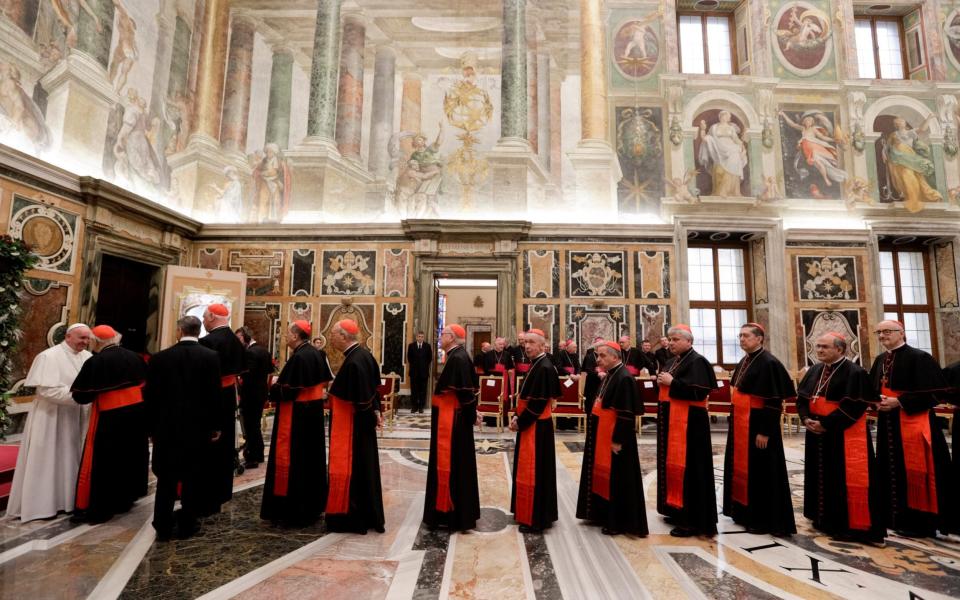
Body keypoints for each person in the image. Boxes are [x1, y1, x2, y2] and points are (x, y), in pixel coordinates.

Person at [797, 333, 884, 543]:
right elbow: (802, 397)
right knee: (821, 476)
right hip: (816, 432)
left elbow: (854, 406)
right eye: (817, 346)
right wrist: (806, 418)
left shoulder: (855, 372)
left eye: (824, 347)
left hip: (841, 434)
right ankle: (823, 518)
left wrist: (825, 424)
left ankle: (845, 525)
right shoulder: (815, 369)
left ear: (840, 349)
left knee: (840, 479)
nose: (819, 350)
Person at [868, 320, 952, 538]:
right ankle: (893, 517)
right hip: (888, 425)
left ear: (901, 333)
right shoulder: (880, 360)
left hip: (915, 422)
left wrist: (900, 402)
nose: (882, 335)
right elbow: (872, 389)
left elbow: (934, 394)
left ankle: (920, 523)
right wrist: (876, 402)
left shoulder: (919, 358)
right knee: (889, 467)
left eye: (887, 331)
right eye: (879, 332)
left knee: (916, 472)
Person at [145, 316, 221, 540]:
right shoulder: (211, 357)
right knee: (192, 477)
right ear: (198, 332)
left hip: (166, 429)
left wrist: (151, 429)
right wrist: (215, 426)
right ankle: (188, 523)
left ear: (179, 331)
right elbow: (214, 395)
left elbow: (150, 397)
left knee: (166, 478)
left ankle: (162, 524)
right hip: (197, 429)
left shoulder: (160, 358)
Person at [6, 324, 92, 522]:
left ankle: (67, 501)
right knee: (48, 460)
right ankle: (42, 505)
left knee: (69, 457)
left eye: (87, 339)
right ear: (68, 336)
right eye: (81, 338)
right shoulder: (48, 356)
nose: (85, 343)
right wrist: (80, 396)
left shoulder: (87, 357)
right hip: (50, 416)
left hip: (74, 415)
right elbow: (46, 391)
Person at [721, 323, 796, 536]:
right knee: (744, 470)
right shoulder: (745, 360)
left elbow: (773, 401)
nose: (742, 339)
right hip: (742, 422)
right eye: (740, 336)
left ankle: (762, 519)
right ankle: (743, 512)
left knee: (762, 474)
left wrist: (765, 431)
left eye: (746, 336)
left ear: (759, 338)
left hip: (758, 426)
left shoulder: (769, 363)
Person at [69, 325, 148, 523]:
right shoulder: (135, 357)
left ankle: (104, 507)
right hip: (137, 415)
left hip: (110, 418)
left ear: (97, 341)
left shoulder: (96, 361)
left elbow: (81, 396)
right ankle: (126, 498)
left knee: (106, 462)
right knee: (130, 456)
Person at [260, 320, 332, 526]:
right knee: (311, 459)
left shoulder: (300, 357)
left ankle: (293, 508)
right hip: (312, 415)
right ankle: (313, 504)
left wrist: (273, 389)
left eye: (287, 333)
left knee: (295, 461)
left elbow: (288, 389)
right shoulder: (315, 353)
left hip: (297, 418)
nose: (285, 336)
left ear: (295, 336)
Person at [577, 341, 647, 536]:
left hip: (616, 438)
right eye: (597, 356)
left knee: (618, 480)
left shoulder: (624, 377)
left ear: (615, 357)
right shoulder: (611, 374)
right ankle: (604, 514)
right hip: (604, 434)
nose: (598, 359)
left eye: (602, 356)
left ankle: (618, 522)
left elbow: (626, 414)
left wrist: (617, 440)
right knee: (607, 478)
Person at [655, 325, 718, 537]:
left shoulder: (697, 361)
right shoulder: (673, 361)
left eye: (675, 339)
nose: (670, 343)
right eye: (669, 339)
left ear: (688, 341)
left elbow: (699, 393)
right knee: (673, 467)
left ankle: (692, 520)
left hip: (690, 426)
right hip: (672, 421)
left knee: (690, 469)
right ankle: (676, 509)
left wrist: (672, 383)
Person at [325, 319, 385, 534]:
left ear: (343, 336)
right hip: (361, 427)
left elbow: (361, 399)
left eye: (333, 333)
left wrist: (370, 414)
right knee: (365, 470)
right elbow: (373, 392)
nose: (329, 336)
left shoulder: (353, 361)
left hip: (353, 430)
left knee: (356, 472)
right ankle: (370, 515)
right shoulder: (364, 355)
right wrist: (376, 412)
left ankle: (352, 517)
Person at [424, 324, 480, 531]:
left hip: (453, 423)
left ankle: (453, 513)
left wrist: (472, 414)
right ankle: (448, 513)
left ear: (452, 337)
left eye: (443, 334)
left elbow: (465, 394)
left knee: (454, 465)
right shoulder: (456, 356)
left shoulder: (458, 358)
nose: (440, 337)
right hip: (452, 419)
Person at [509, 329, 560, 532]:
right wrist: (516, 415)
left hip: (536, 427)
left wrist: (520, 422)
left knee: (535, 472)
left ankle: (536, 518)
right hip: (532, 424)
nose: (527, 346)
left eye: (531, 342)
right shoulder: (537, 364)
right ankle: (530, 512)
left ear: (542, 345)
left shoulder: (545, 367)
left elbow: (537, 405)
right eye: (525, 343)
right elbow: (525, 397)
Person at [199, 303, 246, 515]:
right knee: (227, 444)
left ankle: (207, 493)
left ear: (211, 316)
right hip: (229, 397)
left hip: (211, 396)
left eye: (204, 317)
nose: (203, 321)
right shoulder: (236, 341)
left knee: (210, 445)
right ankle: (224, 490)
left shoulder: (208, 342)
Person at [236, 326, 273, 468]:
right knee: (255, 425)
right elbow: (270, 370)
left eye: (239, 337)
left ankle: (253, 457)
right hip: (261, 392)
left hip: (251, 394)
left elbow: (247, 374)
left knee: (251, 426)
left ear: (246, 336)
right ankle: (258, 453)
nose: (238, 341)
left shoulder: (250, 352)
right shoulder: (263, 350)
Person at [407, 331, 432, 414]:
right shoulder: (411, 346)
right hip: (414, 373)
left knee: (423, 391)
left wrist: (423, 366)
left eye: (422, 336)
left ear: (423, 337)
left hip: (424, 373)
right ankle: (414, 407)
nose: (420, 338)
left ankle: (421, 407)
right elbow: (409, 358)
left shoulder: (427, 346)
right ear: (416, 337)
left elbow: (429, 359)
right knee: (414, 391)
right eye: (419, 336)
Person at [581, 336, 606, 415]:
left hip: (602, 383)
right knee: (590, 404)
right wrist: (598, 373)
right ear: (597, 347)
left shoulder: (604, 356)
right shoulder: (590, 356)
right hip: (592, 384)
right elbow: (587, 369)